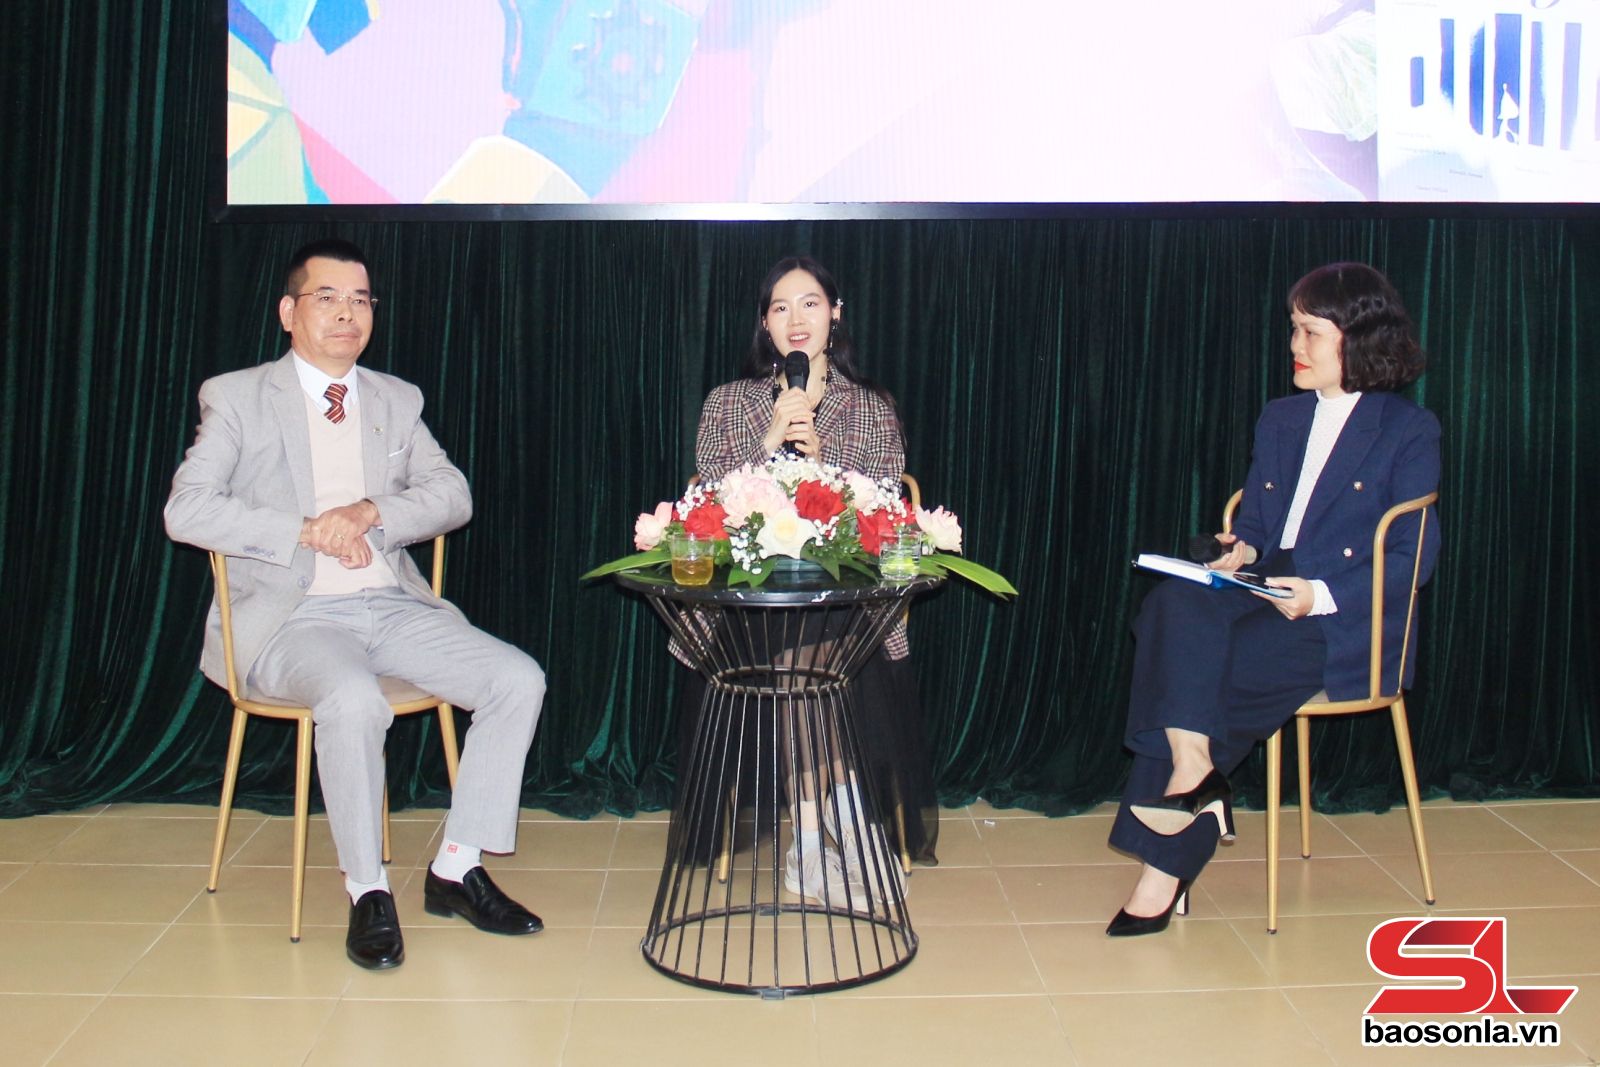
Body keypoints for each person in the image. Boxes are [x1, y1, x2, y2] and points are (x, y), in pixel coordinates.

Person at [165, 238, 546, 969]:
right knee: (352, 699)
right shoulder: (238, 397)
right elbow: (187, 510)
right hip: (293, 619)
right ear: (289, 312)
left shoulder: (396, 400)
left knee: (517, 679)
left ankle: (456, 867)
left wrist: (373, 512)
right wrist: (304, 529)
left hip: (390, 606)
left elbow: (453, 494)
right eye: (328, 298)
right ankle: (367, 889)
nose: (348, 313)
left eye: (361, 300)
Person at [1106, 262, 1441, 936]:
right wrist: (1241, 552)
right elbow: (1260, 528)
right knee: (1170, 606)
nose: (1295, 345)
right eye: (1294, 329)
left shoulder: (1408, 429)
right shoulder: (1281, 417)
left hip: (1342, 613)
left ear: (1358, 339)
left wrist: (1318, 595)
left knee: (1204, 670)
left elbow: (1414, 558)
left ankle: (1163, 872)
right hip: (1268, 583)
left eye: (1311, 332)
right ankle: (1195, 772)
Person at [685, 254, 939, 903]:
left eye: (810, 303)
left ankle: (810, 838)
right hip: (747, 606)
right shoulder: (728, 402)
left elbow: (883, 517)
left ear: (835, 314)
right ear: (764, 323)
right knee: (798, 643)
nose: (795, 319)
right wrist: (770, 440)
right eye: (780, 307)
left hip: (845, 605)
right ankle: (848, 827)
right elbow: (709, 501)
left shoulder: (870, 407)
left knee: (809, 649)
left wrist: (824, 468)